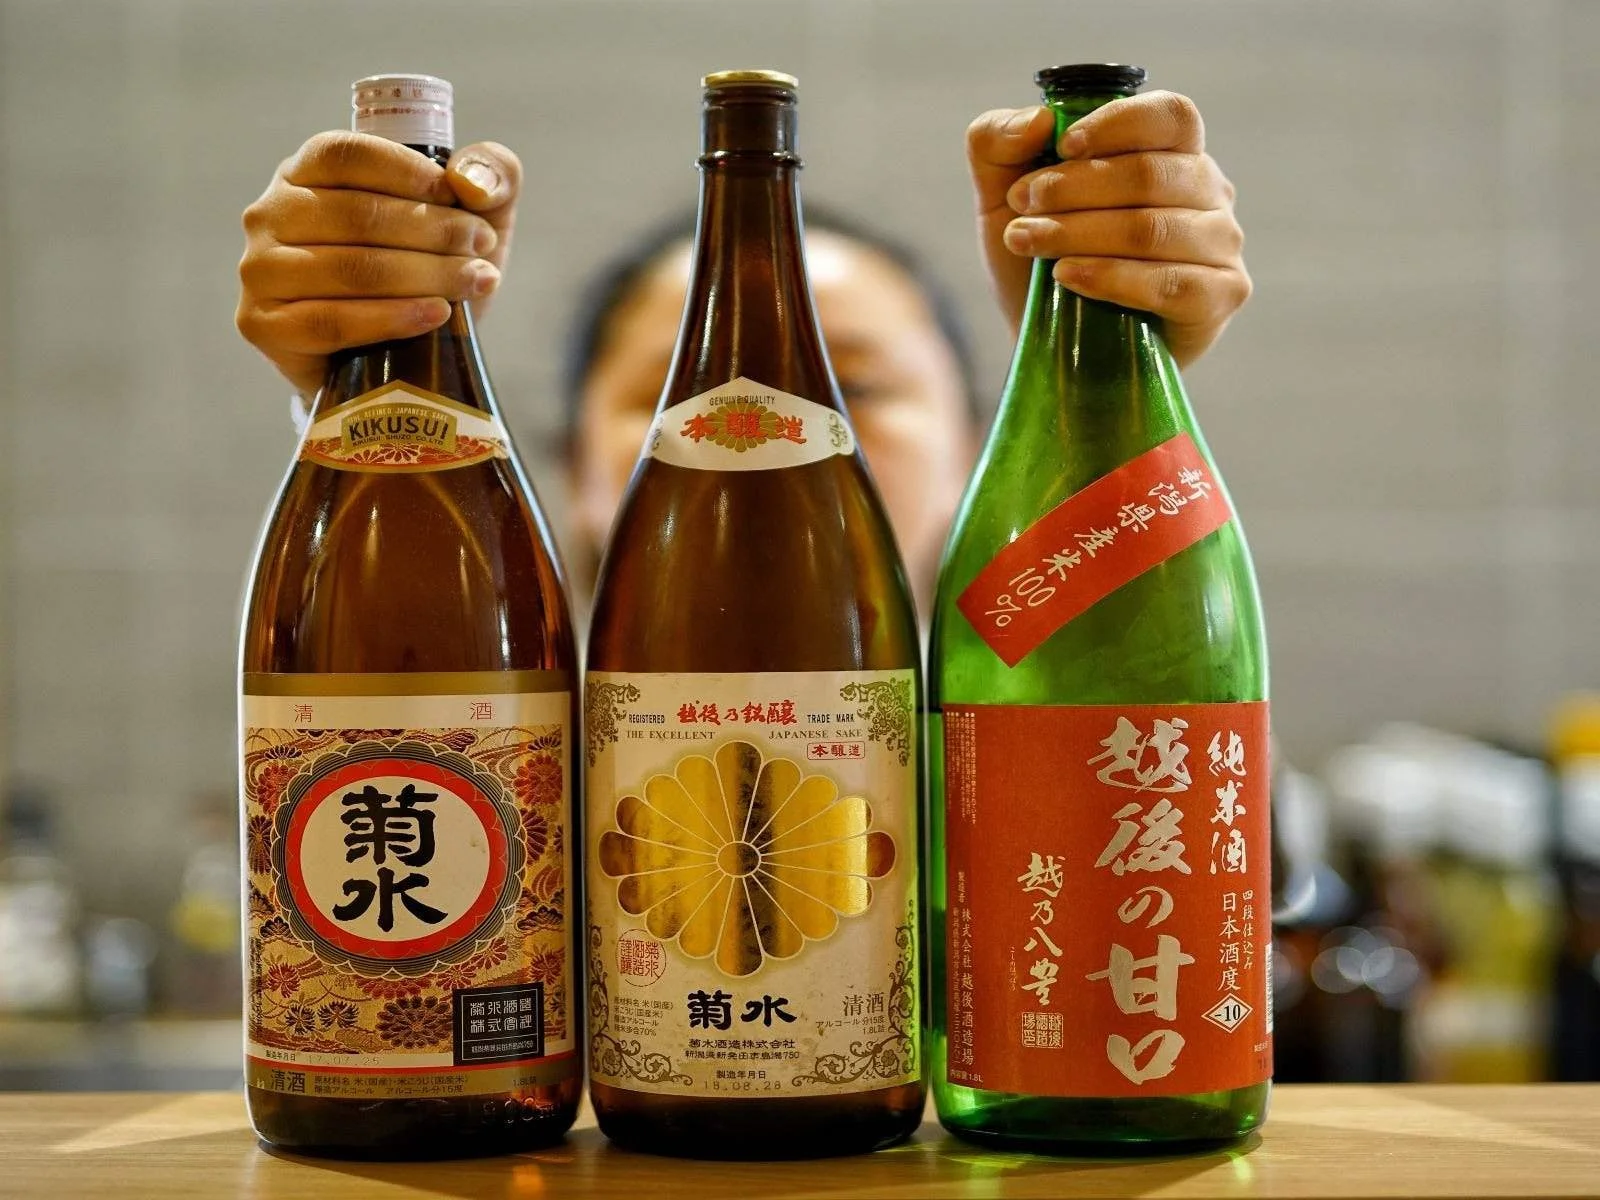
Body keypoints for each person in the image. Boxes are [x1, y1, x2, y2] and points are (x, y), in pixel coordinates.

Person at [236, 92, 1250, 603]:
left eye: (845, 384)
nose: (761, 431)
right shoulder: (510, 720)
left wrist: (1099, 394)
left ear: (975, 448)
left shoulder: (1010, 710)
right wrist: (368, 371)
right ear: (574, 464)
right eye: (687, 388)